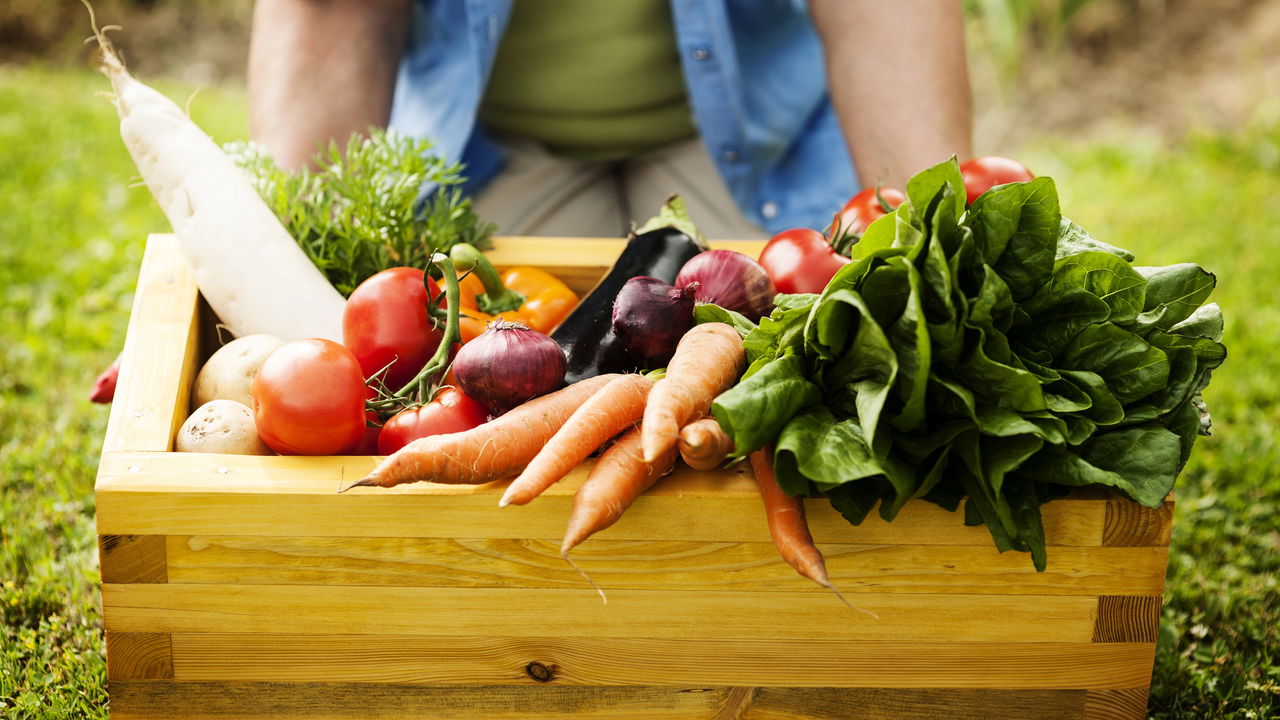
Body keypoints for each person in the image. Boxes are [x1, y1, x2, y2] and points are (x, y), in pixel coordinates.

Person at [248, 0, 972, 239]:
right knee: (483, 378)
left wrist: (938, 246)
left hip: (757, 137)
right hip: (486, 144)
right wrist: (283, 261)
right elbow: (335, 10)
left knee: (804, 368)